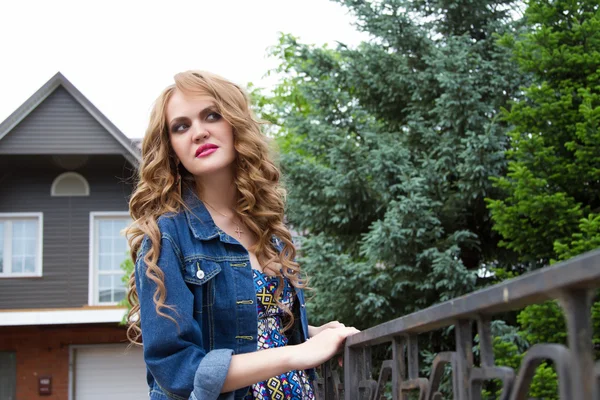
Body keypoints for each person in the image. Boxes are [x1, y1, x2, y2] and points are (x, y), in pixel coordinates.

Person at [125, 70, 358, 400]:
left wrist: (315, 334)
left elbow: (256, 327)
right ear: (171, 147)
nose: (199, 132)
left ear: (235, 123)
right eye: (181, 126)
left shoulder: (266, 229)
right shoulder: (167, 237)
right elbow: (177, 370)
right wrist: (297, 356)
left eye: (212, 115)